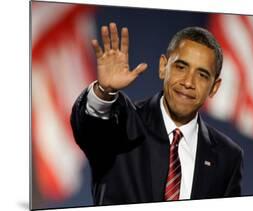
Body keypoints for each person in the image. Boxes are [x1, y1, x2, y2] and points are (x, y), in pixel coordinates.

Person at [70, 22, 243, 206]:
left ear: (214, 87)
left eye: (202, 75)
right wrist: (104, 92)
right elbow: (89, 128)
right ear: (163, 67)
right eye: (181, 67)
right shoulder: (122, 122)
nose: (188, 82)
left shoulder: (228, 156)